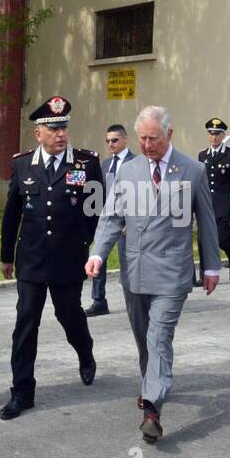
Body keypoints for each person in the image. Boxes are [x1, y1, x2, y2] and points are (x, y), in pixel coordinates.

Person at [85, 105, 220, 443]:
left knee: (159, 338)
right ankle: (152, 383)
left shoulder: (193, 170)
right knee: (145, 340)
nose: (147, 145)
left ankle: (152, 410)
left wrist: (211, 265)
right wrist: (98, 254)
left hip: (172, 273)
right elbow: (111, 217)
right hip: (135, 271)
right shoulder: (128, 171)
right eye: (142, 138)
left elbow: (206, 222)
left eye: (153, 138)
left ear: (169, 134)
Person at [0, 97, 104, 419]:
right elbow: (11, 214)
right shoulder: (22, 164)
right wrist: (6, 257)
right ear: (38, 133)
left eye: (64, 127)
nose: (60, 134)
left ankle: (85, 352)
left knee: (68, 314)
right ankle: (22, 392)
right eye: (53, 128)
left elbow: (96, 213)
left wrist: (95, 251)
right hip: (31, 259)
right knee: (26, 323)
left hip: (69, 258)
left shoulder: (86, 164)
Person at [85, 124, 132, 317]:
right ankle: (99, 300)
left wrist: (132, 221)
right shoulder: (105, 164)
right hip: (106, 220)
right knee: (98, 258)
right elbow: (99, 193)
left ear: (125, 139)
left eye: (114, 140)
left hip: (127, 223)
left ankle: (133, 299)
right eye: (108, 141)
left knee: (127, 261)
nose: (110, 144)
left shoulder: (137, 162)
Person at [198, 117, 230, 281]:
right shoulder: (202, 155)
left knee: (221, 237)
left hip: (224, 203)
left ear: (223, 135)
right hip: (206, 203)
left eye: (217, 134)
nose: (214, 137)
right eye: (211, 133)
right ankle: (203, 273)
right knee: (203, 239)